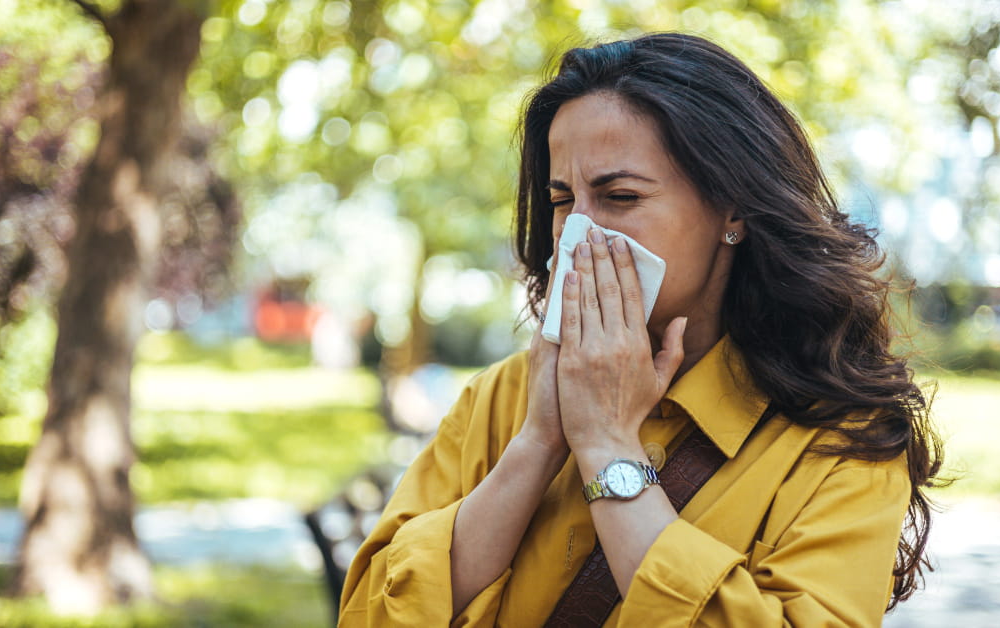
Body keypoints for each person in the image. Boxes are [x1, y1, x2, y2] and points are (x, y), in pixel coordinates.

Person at [339, 32, 942, 627]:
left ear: (733, 208)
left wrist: (606, 447)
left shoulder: (840, 441)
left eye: (620, 197)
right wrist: (538, 443)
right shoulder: (500, 399)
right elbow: (368, 615)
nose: (579, 234)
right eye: (561, 200)